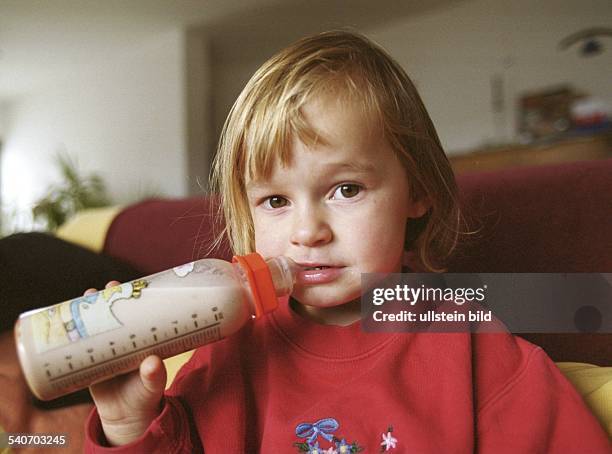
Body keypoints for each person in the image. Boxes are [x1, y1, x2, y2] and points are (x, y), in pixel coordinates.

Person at [84, 30, 611, 453]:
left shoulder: (468, 338)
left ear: (418, 191)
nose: (308, 231)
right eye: (275, 201)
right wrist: (127, 423)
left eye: (346, 189)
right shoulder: (230, 348)